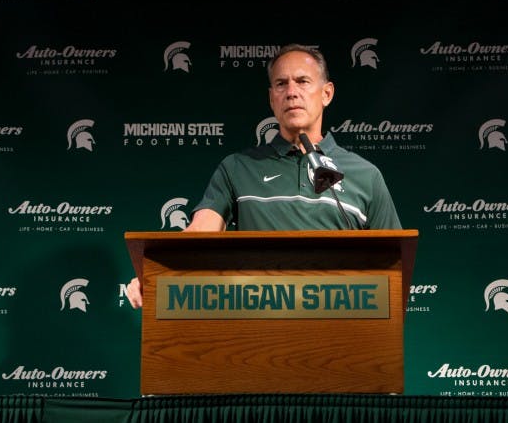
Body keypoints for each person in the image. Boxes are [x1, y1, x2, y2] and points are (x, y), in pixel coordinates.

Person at [126, 43, 401, 308]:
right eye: (281, 84)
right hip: (257, 326)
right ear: (272, 98)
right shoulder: (238, 167)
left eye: (303, 81)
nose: (292, 92)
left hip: (343, 330)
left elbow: (394, 265)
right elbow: (200, 232)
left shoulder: (366, 175)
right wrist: (155, 273)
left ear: (327, 93)